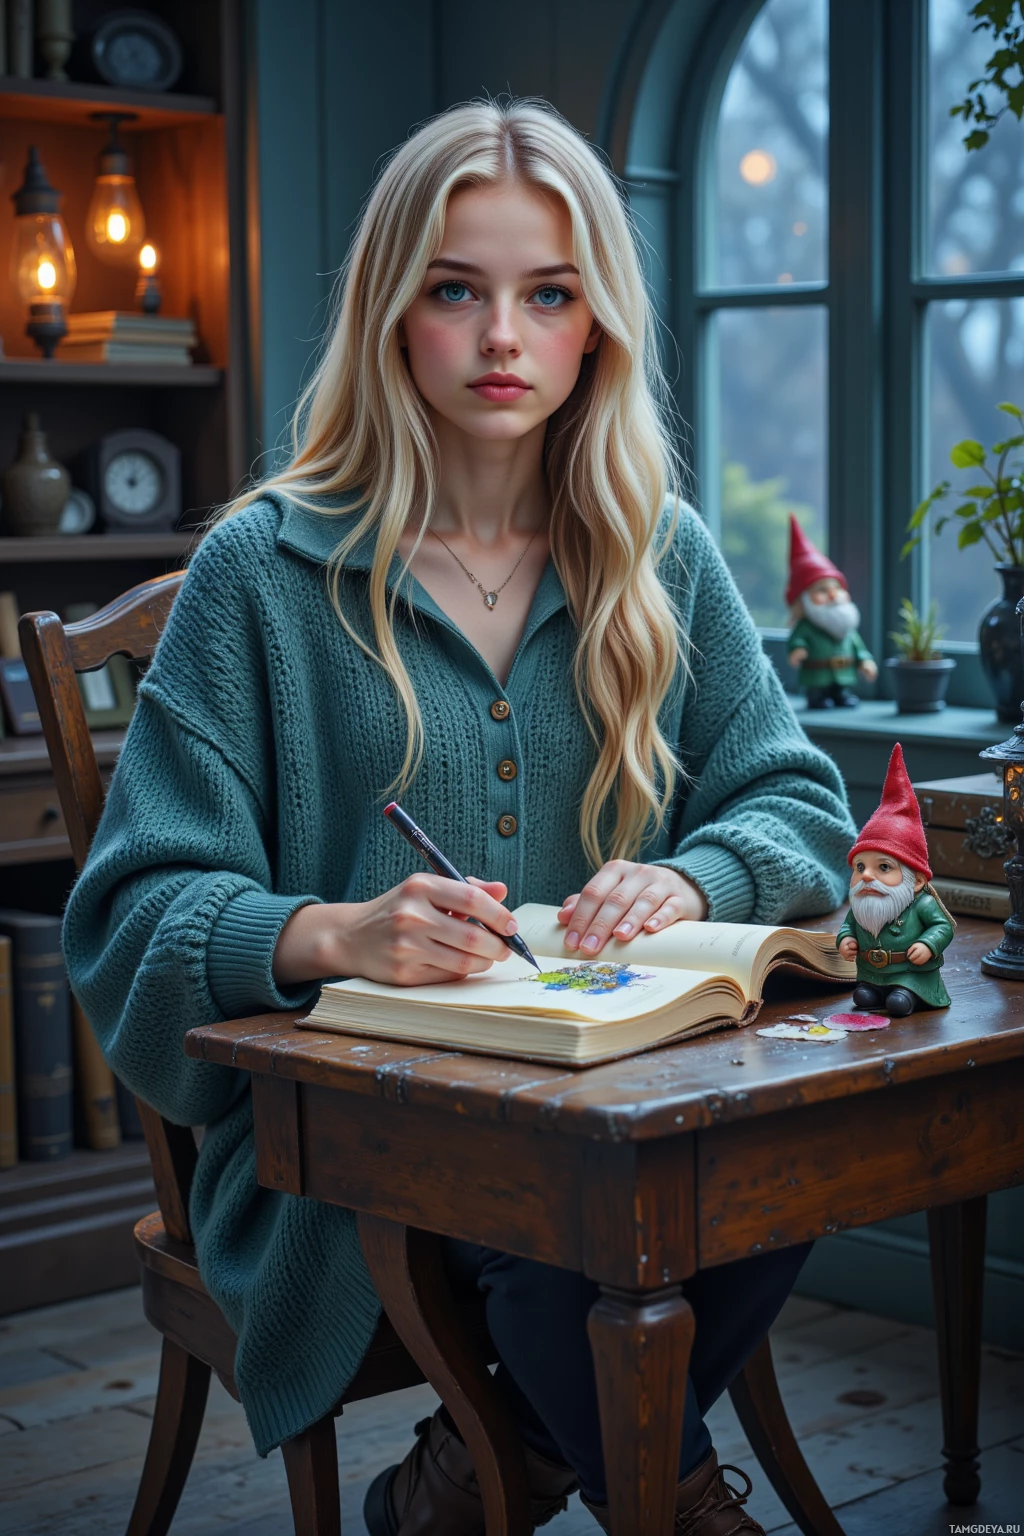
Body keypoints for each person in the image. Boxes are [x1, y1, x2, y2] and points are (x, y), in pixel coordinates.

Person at [63, 98, 856, 1535]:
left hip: (615, 1105)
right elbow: (131, 913)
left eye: (548, 293)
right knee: (565, 1233)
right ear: (392, 313)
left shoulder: (656, 552)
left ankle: (472, 1479)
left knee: (763, 1173)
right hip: (345, 1153)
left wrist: (694, 876)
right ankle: (679, 1509)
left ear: (597, 324)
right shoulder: (261, 569)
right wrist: (329, 932)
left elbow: (796, 799)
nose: (504, 337)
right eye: (456, 290)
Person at [838, 743, 954, 1016]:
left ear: (915, 882)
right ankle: (878, 989)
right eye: (860, 866)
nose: (866, 875)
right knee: (863, 996)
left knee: (899, 1002)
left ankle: (907, 993)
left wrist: (928, 944)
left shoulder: (922, 904)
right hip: (872, 971)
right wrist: (845, 940)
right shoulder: (862, 905)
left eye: (884, 867)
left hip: (912, 973)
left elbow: (944, 926)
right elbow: (848, 926)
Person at [785, 515, 877, 709]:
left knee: (841, 693)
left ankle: (841, 693)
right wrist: (798, 650)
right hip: (816, 675)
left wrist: (865, 661)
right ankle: (817, 696)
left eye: (837, 588)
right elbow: (797, 640)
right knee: (818, 695)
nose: (833, 595)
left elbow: (857, 647)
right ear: (804, 600)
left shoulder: (847, 630)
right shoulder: (807, 627)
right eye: (822, 590)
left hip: (843, 674)